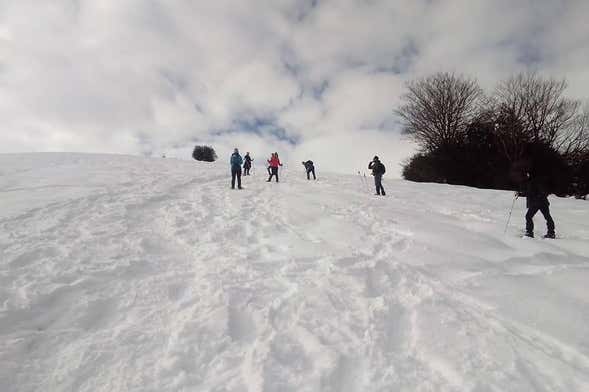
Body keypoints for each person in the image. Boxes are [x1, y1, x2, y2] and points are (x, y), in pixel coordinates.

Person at [521, 171, 555, 238]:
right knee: (547, 217)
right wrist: (520, 194)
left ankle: (529, 233)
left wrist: (537, 196)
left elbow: (532, 192)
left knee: (528, 216)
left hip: (537, 203)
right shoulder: (532, 181)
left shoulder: (533, 181)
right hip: (542, 202)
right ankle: (551, 233)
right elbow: (530, 192)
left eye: (526, 174)